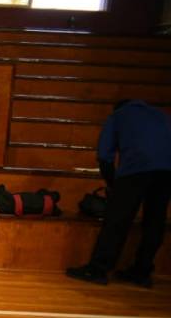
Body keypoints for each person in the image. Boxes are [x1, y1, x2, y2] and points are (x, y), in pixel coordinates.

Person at [66, 100, 171, 287]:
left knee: (117, 219)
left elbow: (105, 156)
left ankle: (98, 269)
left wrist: (114, 185)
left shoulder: (118, 116)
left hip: (136, 168)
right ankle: (142, 272)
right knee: (155, 221)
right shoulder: (161, 116)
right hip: (167, 171)